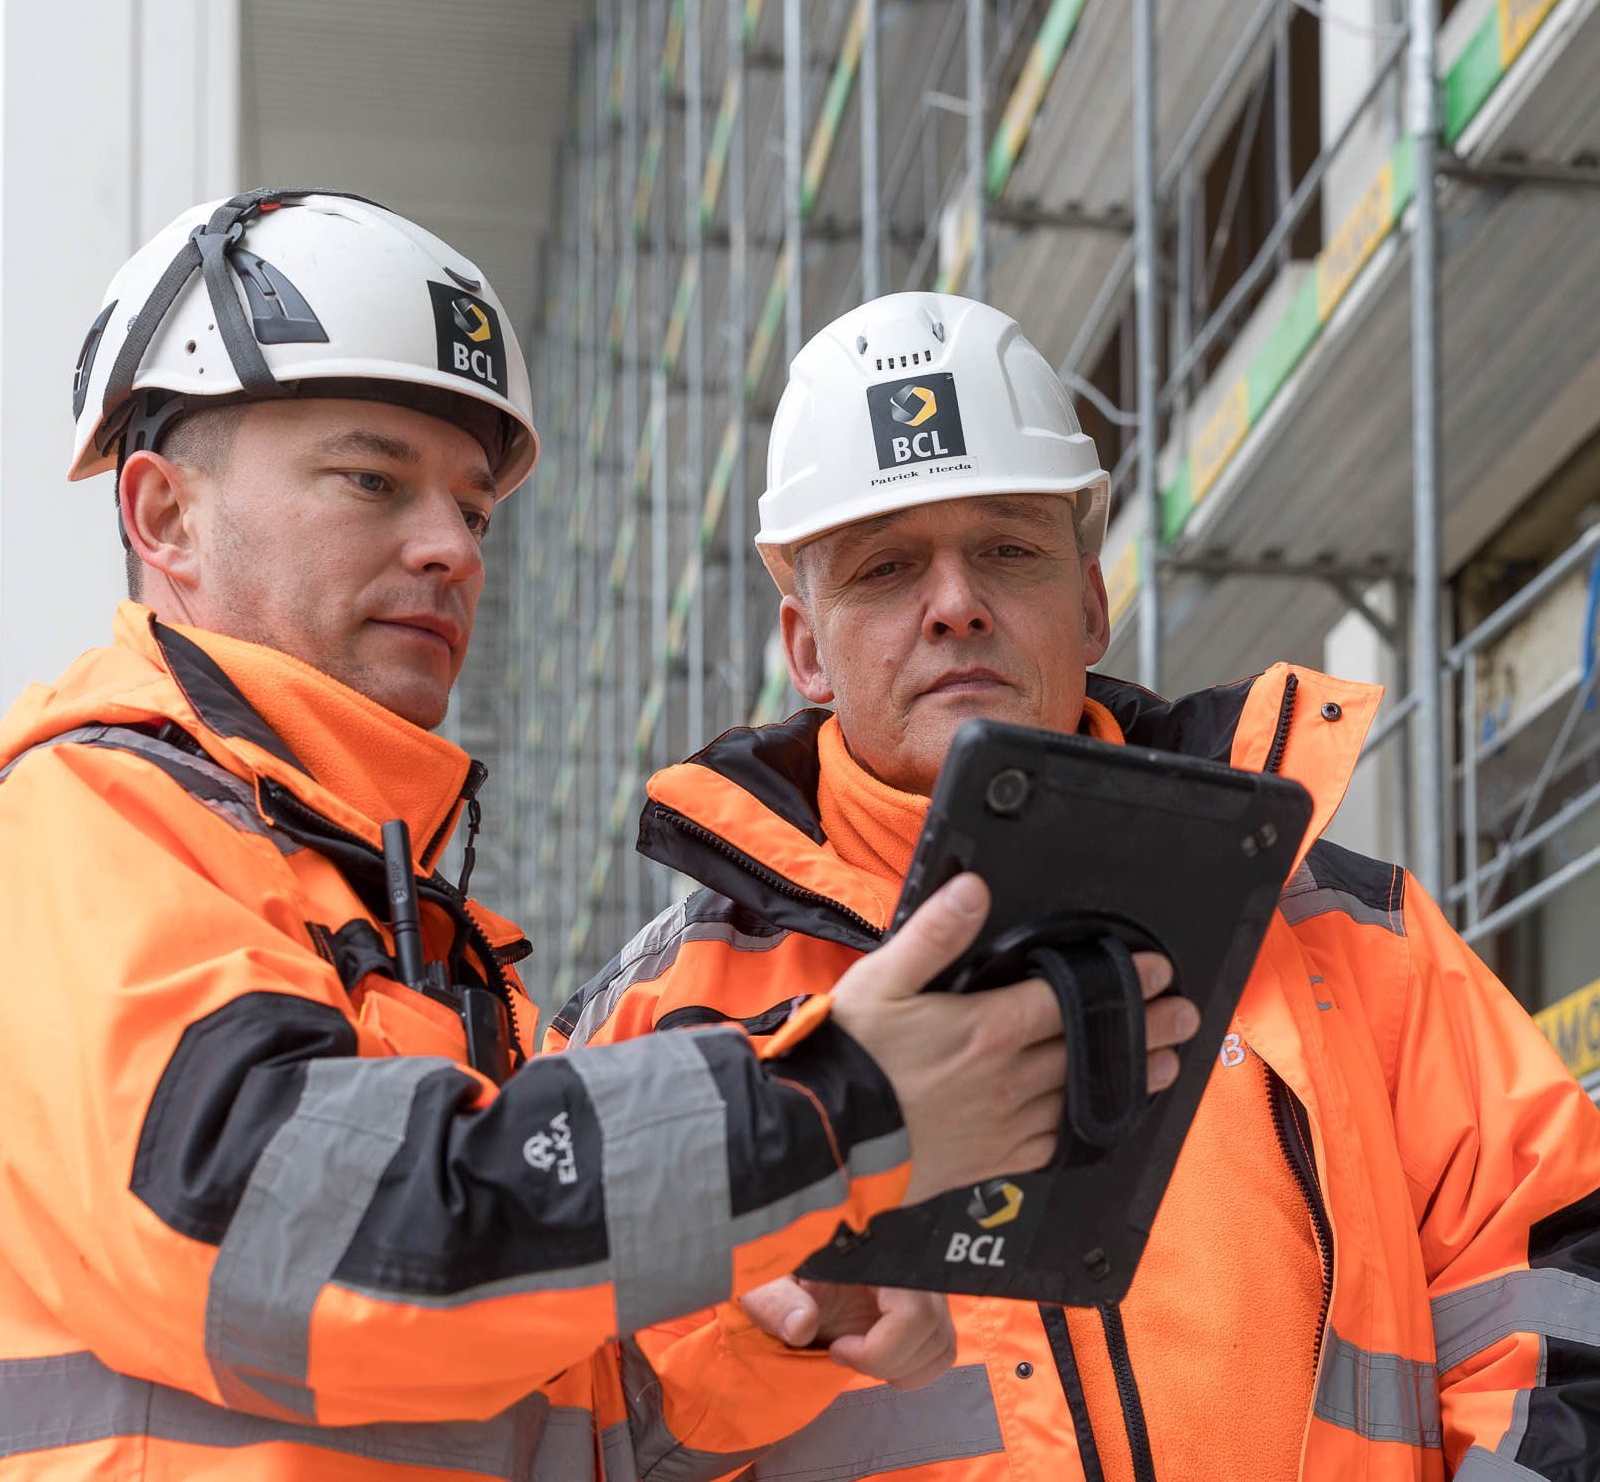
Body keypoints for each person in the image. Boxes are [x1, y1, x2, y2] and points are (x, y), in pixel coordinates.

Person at [0, 201, 1199, 1480]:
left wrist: (775, 1324)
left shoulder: (393, 916)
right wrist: (832, 1106)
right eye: (372, 479)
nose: (450, 547)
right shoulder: (80, 830)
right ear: (163, 513)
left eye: (475, 507)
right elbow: (298, 1236)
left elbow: (531, 1412)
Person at [551, 291, 1600, 1482]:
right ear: (806, 647)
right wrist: (762, 1332)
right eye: (887, 567)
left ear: (1090, 598)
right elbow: (573, 1422)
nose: (953, 602)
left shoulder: (1343, 936)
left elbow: (1562, 1280)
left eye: (1005, 547)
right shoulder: (647, 1025)